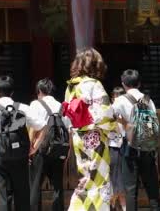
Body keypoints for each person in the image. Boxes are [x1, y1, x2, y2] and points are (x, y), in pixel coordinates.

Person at [0, 75, 45, 211]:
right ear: (12, 92)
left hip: (0, 155)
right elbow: (43, 126)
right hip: (20, 155)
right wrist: (34, 148)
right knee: (22, 193)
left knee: (3, 195)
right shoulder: (23, 107)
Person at [64, 48, 116, 211]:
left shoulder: (71, 86)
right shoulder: (94, 84)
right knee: (99, 180)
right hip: (95, 138)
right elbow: (105, 114)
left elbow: (67, 116)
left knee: (86, 177)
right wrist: (112, 129)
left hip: (79, 136)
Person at [112, 69, 160, 210]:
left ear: (123, 84)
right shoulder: (148, 100)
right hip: (148, 147)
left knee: (131, 191)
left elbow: (109, 117)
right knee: (152, 191)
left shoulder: (120, 100)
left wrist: (124, 123)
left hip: (130, 148)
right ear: (139, 83)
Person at [29, 78, 72, 211]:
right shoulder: (61, 106)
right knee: (57, 186)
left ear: (40, 91)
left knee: (35, 186)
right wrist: (67, 153)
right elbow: (69, 131)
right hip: (58, 150)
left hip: (39, 150)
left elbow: (32, 129)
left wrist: (30, 150)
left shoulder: (35, 104)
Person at [108, 87, 126, 211]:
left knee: (122, 178)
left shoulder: (125, 109)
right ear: (112, 98)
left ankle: (123, 206)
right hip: (113, 146)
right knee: (113, 178)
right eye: (116, 97)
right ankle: (114, 206)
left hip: (123, 145)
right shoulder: (109, 110)